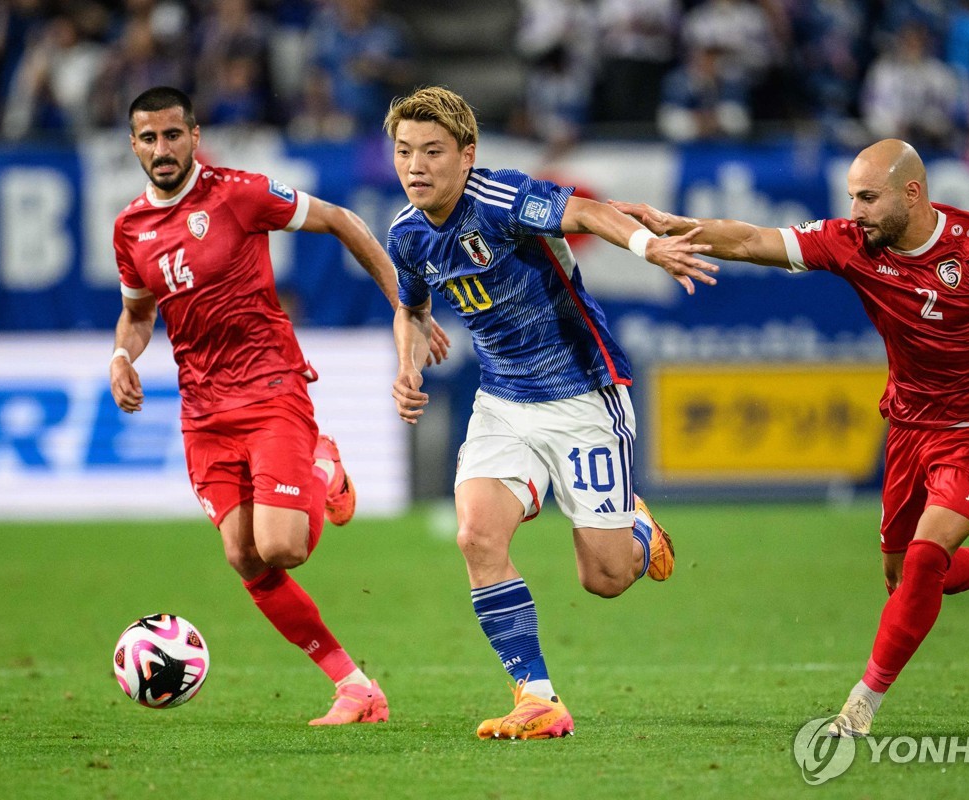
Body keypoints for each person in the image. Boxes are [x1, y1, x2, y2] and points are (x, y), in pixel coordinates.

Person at [612, 139, 969, 737]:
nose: (855, 210)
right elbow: (752, 240)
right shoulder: (852, 242)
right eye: (852, 198)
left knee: (923, 559)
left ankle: (859, 707)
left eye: (867, 197)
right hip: (911, 424)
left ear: (911, 194)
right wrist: (675, 227)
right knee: (902, 576)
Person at [383, 86, 718, 739]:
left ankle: (637, 532)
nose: (415, 166)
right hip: (503, 402)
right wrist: (407, 363)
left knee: (607, 578)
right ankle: (536, 697)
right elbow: (414, 308)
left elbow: (588, 212)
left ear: (466, 154)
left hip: (583, 395)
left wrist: (650, 248)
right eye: (403, 152)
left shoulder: (501, 197)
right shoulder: (406, 235)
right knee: (477, 537)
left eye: (431, 151)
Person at [108, 86, 449, 726]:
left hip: (269, 389)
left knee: (283, 548)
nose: (162, 149)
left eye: (173, 135)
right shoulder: (130, 228)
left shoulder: (237, 194)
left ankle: (324, 466)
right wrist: (123, 357)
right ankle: (355, 688)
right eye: (149, 138)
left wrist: (407, 305)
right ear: (133, 145)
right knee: (244, 557)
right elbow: (136, 314)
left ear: (195, 135)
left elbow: (344, 221)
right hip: (202, 412)